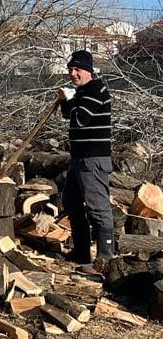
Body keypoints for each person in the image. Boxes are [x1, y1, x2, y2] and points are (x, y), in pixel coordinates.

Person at [58, 50, 114, 275]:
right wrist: (66, 100)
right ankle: (82, 255)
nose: (73, 74)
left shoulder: (95, 89)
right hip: (78, 158)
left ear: (88, 71)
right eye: (71, 70)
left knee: (98, 208)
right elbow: (67, 115)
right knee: (71, 202)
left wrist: (71, 101)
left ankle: (104, 260)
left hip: (93, 160)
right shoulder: (82, 92)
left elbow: (80, 119)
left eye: (77, 70)